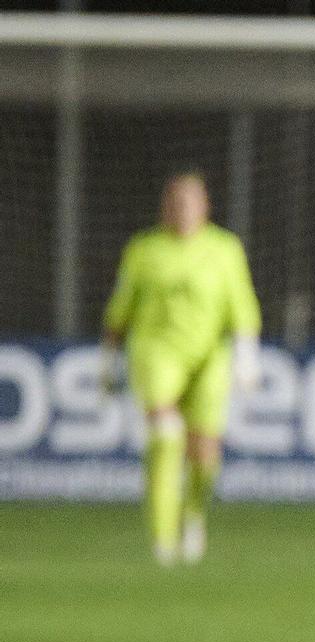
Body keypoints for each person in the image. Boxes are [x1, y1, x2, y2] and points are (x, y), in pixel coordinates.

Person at [101, 171, 261, 565]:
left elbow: (241, 306)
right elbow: (120, 309)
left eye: (190, 201)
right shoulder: (144, 250)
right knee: (165, 433)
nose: (183, 209)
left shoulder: (225, 249)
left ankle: (193, 514)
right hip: (156, 352)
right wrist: (107, 360)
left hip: (208, 358)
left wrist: (247, 355)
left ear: (205, 206)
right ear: (164, 207)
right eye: (175, 202)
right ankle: (162, 540)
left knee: (204, 456)